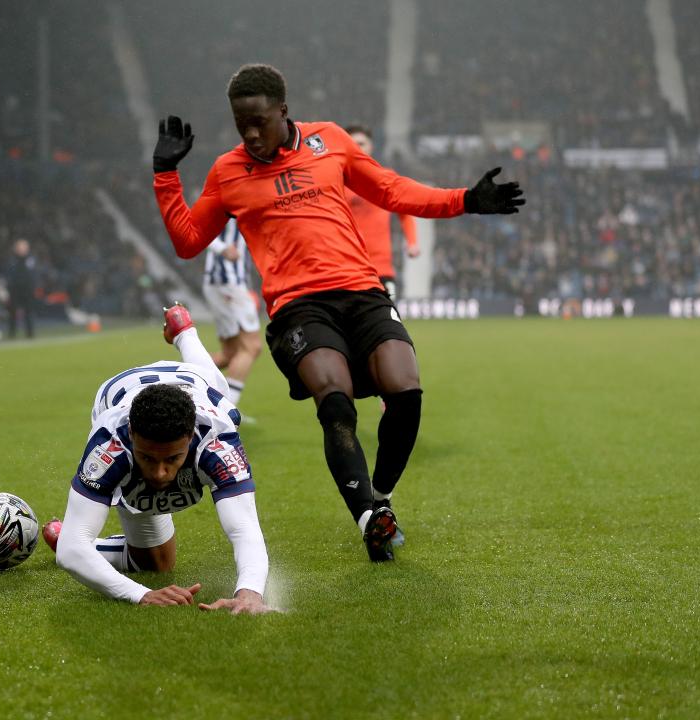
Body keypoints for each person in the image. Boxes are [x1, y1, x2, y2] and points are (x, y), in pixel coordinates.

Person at [152, 63, 523, 561]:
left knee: (406, 391)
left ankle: (381, 497)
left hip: (362, 292)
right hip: (298, 307)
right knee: (335, 401)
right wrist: (166, 175)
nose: (252, 133)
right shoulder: (228, 171)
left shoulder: (330, 140)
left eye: (260, 120)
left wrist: (466, 200)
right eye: (242, 124)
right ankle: (368, 517)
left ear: (284, 111)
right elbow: (187, 241)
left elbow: (391, 190)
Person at [42, 303, 271, 614]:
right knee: (156, 564)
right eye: (148, 458)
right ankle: (72, 532)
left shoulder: (217, 442)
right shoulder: (111, 445)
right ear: (133, 435)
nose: (161, 473)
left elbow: (244, 528)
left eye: (172, 459)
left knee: (219, 389)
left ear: (190, 438)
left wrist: (250, 593)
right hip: (118, 392)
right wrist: (141, 594)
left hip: (196, 383)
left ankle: (184, 332)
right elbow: (70, 554)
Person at [345, 124, 419, 298]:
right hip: (348, 268)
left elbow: (404, 210)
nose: (357, 147)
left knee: (389, 321)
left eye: (361, 143)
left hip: (381, 267)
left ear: (371, 146)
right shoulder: (336, 179)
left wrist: (412, 242)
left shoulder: (386, 176)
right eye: (352, 143)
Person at [201, 216, 262, 406]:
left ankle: (180, 382)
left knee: (230, 353)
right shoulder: (229, 195)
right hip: (228, 282)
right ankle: (226, 409)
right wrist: (222, 249)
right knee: (251, 347)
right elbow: (196, 226)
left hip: (224, 282)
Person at [5, 238, 37, 339]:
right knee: (13, 313)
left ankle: (30, 333)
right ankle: (12, 334)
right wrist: (9, 287)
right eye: (20, 247)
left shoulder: (31, 259)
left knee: (29, 312)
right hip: (15, 290)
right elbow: (8, 274)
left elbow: (34, 274)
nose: (22, 249)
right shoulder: (12, 260)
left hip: (28, 290)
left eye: (24, 247)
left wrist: (33, 286)